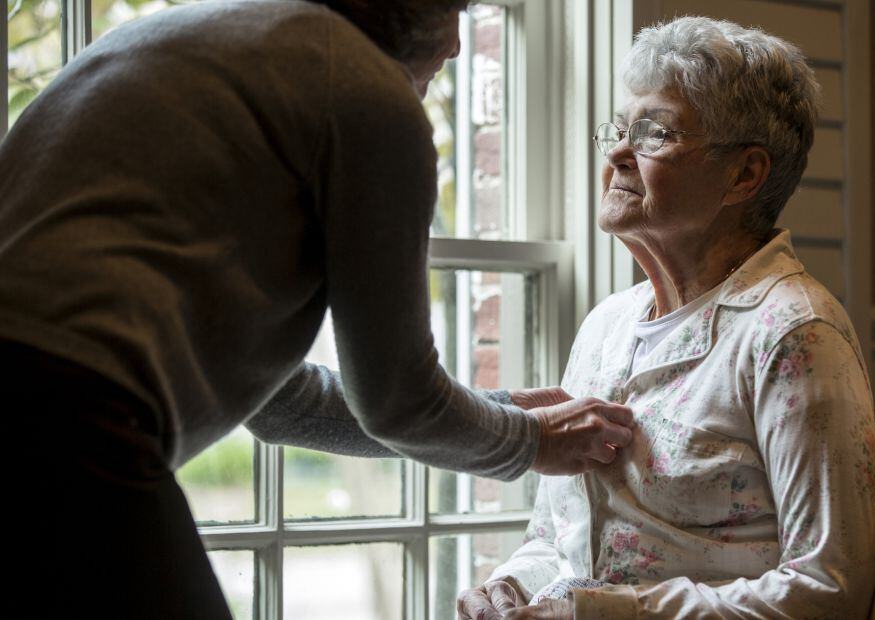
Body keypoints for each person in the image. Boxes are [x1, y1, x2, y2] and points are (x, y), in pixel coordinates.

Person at [0, 0, 634, 616]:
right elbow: (399, 401)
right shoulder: (364, 91)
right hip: (64, 416)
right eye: (454, 12)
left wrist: (502, 410)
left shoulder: (170, 44)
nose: (456, 45)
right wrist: (530, 442)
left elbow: (280, 406)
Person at [457, 16, 875, 620]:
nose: (620, 153)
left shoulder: (793, 334)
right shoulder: (607, 325)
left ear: (745, 175)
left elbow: (829, 590)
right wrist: (510, 587)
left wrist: (605, 614)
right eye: (621, 130)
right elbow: (560, 538)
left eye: (655, 134)